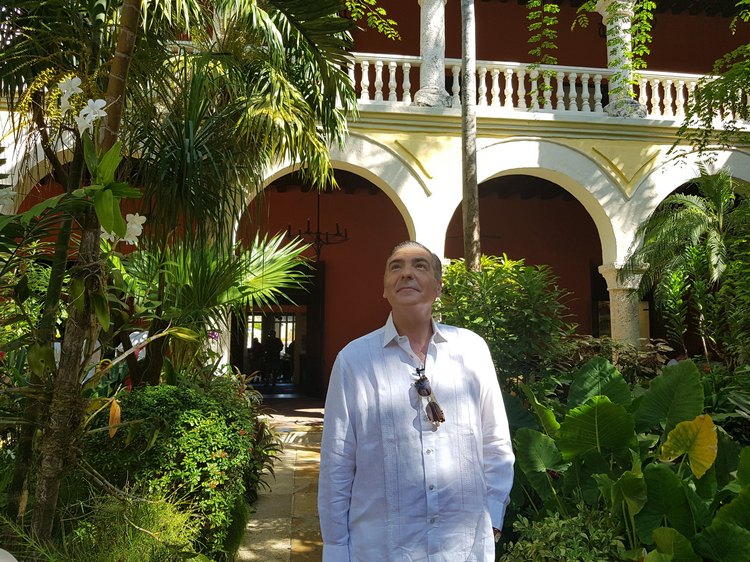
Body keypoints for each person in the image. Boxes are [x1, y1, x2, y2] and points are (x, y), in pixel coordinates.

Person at [318, 241, 515, 561]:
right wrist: (336, 549)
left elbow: (495, 443)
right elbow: (337, 463)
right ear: (385, 289)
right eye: (396, 266)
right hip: (380, 550)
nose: (406, 273)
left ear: (438, 287)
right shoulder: (354, 361)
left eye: (419, 266)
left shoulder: (472, 350)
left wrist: (492, 517)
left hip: (464, 548)